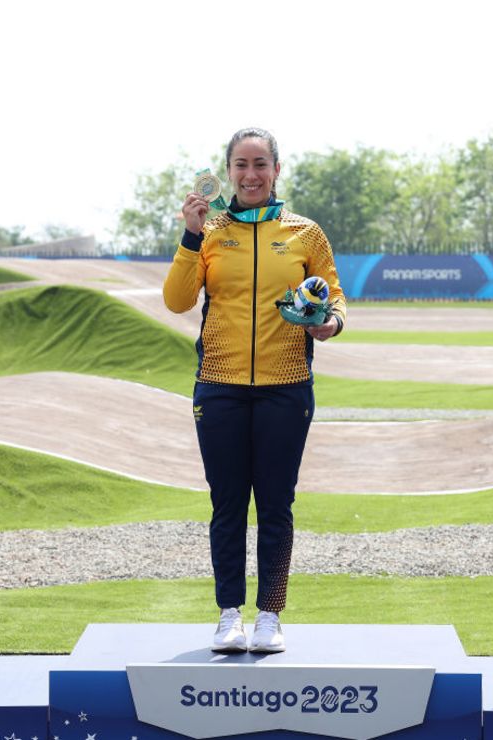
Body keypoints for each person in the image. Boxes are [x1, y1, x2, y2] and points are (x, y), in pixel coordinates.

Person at [163, 127, 346, 653]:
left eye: (260, 164)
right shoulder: (212, 231)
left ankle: (270, 615)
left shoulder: (305, 233)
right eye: (241, 165)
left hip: (286, 386)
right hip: (218, 386)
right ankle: (228, 615)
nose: (250, 175)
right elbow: (178, 301)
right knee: (226, 505)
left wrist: (328, 325)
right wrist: (191, 236)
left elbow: (333, 298)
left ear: (277, 170)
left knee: (276, 505)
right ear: (228, 172)